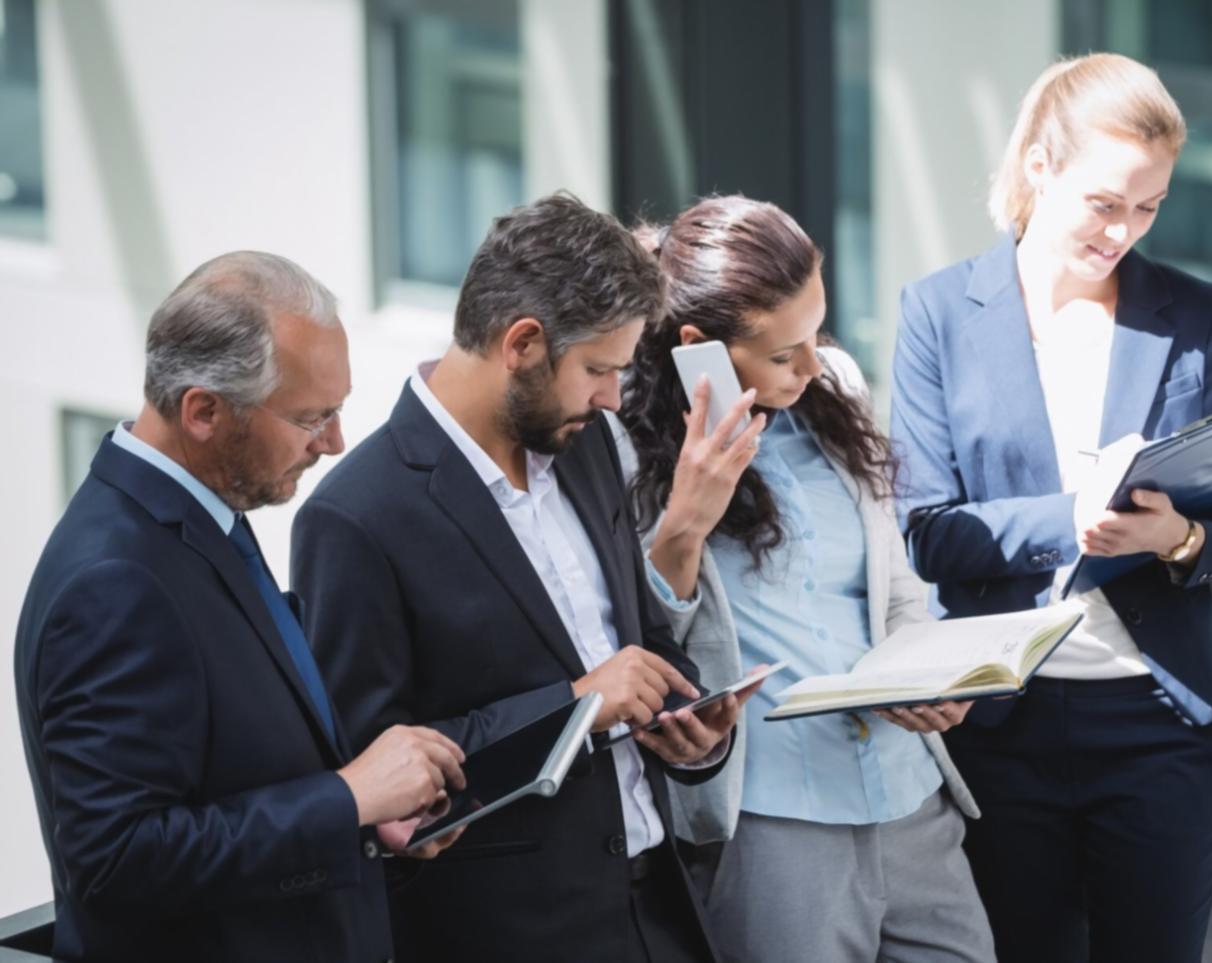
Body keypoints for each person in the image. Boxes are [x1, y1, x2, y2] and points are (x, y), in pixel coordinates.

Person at [291, 193, 745, 963]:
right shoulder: (356, 517)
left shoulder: (590, 444)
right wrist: (575, 706)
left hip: (663, 910)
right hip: (511, 935)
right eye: (598, 369)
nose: (612, 397)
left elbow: (645, 636)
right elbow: (378, 772)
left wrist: (689, 727)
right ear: (524, 343)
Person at [891, 54, 1212, 962]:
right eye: (1107, 202)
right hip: (998, 727)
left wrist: (1176, 536)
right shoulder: (940, 312)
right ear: (1038, 167)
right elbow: (931, 532)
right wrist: (1080, 515)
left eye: (1149, 207)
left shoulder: (1195, 315)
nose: (1125, 231)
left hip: (1159, 730)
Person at [13, 252, 468, 963]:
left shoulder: (207, 508)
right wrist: (346, 797)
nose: (334, 443)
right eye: (312, 417)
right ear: (203, 411)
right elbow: (115, 861)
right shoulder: (112, 582)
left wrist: (369, 813)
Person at [614, 195, 995, 963]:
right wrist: (686, 520)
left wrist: (930, 673)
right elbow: (653, 647)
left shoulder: (837, 390)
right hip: (777, 821)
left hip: (907, 797)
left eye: (816, 333)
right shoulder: (627, 449)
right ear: (700, 348)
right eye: (785, 353)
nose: (812, 364)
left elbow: (894, 587)